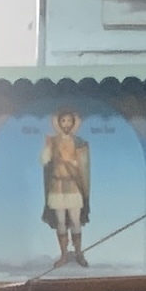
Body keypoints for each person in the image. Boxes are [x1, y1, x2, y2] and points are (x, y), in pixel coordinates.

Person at [41, 105, 92, 266]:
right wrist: (48, 147)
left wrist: (72, 162)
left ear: (73, 123)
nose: (66, 124)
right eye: (63, 120)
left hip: (73, 185)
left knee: (76, 221)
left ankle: (78, 253)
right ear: (59, 123)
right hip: (57, 186)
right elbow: (44, 161)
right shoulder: (53, 141)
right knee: (61, 221)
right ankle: (63, 255)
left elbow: (83, 165)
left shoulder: (79, 143)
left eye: (69, 120)